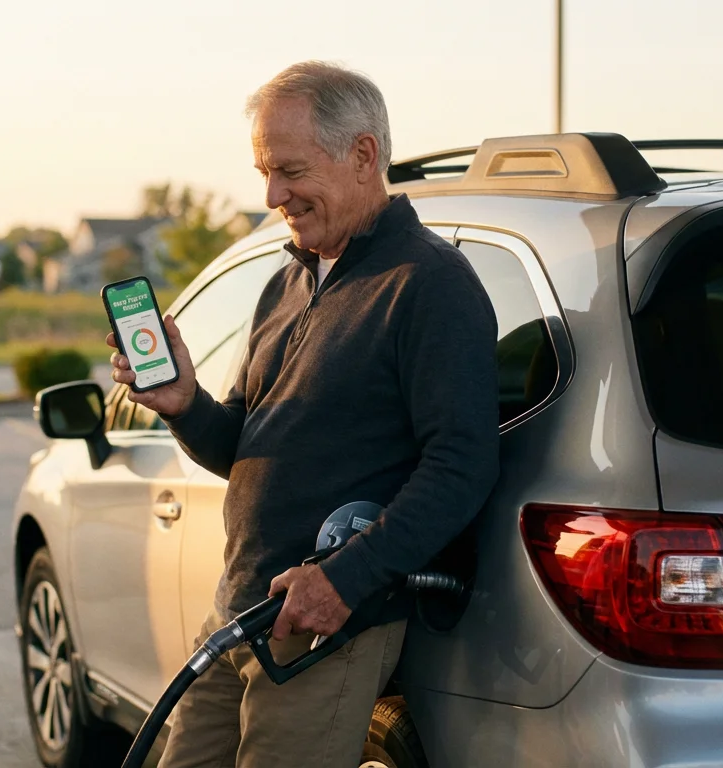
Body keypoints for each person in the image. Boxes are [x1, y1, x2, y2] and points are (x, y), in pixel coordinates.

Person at [106, 60, 500, 768]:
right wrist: (184, 405)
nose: (272, 194)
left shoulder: (429, 284)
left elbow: (462, 465)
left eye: (289, 170)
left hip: (325, 631)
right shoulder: (286, 283)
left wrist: (346, 579)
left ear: (363, 155)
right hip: (239, 608)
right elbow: (246, 447)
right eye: (264, 172)